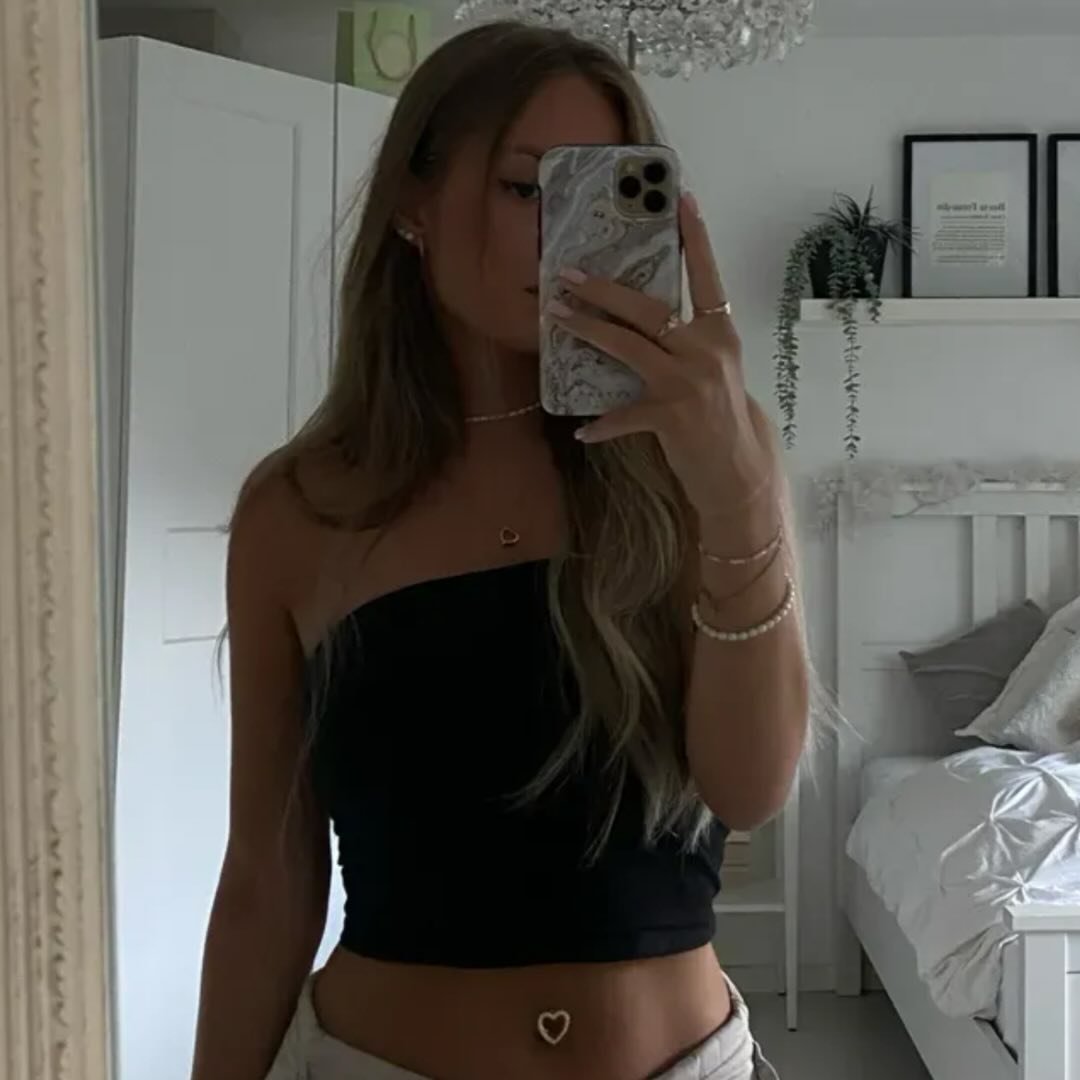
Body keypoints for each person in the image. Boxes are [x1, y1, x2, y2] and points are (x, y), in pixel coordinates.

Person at [190, 20, 810, 1080]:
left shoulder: (707, 452)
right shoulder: (301, 511)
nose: (570, 235)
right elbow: (266, 879)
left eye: (605, 193)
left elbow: (750, 790)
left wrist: (740, 499)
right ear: (413, 204)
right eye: (530, 188)